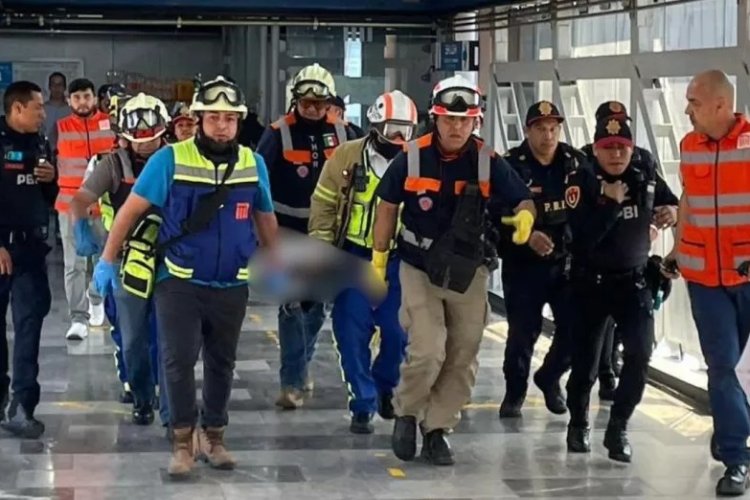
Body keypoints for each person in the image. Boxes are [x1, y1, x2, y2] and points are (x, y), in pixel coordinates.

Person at [93, 76, 278, 477]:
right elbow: (128, 212)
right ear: (197, 119)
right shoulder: (169, 160)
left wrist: (276, 263)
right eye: (213, 117)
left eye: (230, 119)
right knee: (177, 361)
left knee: (222, 362)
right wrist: (108, 261)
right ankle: (181, 441)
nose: (222, 126)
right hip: (178, 281)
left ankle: (215, 436)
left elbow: (265, 217)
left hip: (232, 282)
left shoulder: (252, 163)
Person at [372, 75, 535, 465]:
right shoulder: (410, 157)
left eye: (465, 120)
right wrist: (379, 260)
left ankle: (438, 428)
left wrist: (525, 219)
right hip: (418, 265)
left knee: (463, 352)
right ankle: (408, 413)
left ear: (475, 121)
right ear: (435, 118)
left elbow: (523, 199)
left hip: (468, 271)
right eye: (449, 119)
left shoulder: (486, 160)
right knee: (428, 349)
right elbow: (387, 208)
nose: (457, 127)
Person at [564, 116, 677, 464]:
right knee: (585, 365)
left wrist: (671, 210)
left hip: (634, 283)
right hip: (590, 283)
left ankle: (618, 427)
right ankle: (579, 422)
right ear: (596, 149)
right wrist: (610, 204)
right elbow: (581, 240)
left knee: (640, 355)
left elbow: (672, 201)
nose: (616, 155)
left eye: (622, 147)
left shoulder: (643, 172)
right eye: (608, 148)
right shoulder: (580, 179)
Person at [308, 90, 417, 433]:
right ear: (375, 126)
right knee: (350, 331)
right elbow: (324, 207)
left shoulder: (417, 161)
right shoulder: (346, 157)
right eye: (393, 129)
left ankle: (386, 385)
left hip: (400, 260)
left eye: (407, 130)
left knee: (398, 332)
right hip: (353, 256)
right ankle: (362, 400)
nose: (400, 138)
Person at [665, 70, 750, 496]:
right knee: (722, 366)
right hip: (704, 280)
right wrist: (677, 249)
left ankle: (730, 421)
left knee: (742, 371)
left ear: (721, 105)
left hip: (747, 274)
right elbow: (687, 199)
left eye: (694, 103)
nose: (687, 111)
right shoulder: (689, 146)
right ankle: (737, 458)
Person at [256, 63, 356, 409]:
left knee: (315, 308)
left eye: (319, 102)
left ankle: (302, 364)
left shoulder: (346, 134)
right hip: (288, 233)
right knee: (291, 306)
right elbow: (257, 181)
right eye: (306, 102)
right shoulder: (277, 133)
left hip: (329, 236)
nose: (312, 108)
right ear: (295, 100)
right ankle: (292, 382)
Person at [71, 93, 171, 428]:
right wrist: (84, 230)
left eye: (152, 137)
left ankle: (157, 391)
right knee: (131, 337)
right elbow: (82, 198)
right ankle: (140, 391)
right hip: (124, 260)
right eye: (138, 139)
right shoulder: (112, 164)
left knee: (166, 333)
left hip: (172, 258)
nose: (146, 145)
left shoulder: (176, 159)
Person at [494, 101, 585, 418]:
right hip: (524, 265)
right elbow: (495, 213)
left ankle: (550, 377)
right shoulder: (510, 166)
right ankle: (514, 392)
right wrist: (527, 235)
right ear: (528, 130)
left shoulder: (575, 162)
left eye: (553, 128)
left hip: (566, 264)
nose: (548, 135)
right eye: (541, 128)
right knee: (522, 333)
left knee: (576, 329)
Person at [580, 100, 662, 401]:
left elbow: (666, 198)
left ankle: (616, 416)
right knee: (586, 349)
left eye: (622, 127)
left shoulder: (643, 163)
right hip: (593, 273)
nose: (616, 152)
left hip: (632, 272)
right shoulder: (583, 167)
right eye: (609, 142)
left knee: (636, 347)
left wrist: (667, 212)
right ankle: (597, 382)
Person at [0, 81, 57, 439]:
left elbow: (46, 197)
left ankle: (22, 405)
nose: (43, 113)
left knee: (29, 327)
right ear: (17, 108)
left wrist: (51, 181)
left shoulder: (39, 143)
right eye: (38, 107)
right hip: (1, 248)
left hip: (31, 250)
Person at [55, 78, 115, 340]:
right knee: (74, 264)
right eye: (77, 97)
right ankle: (78, 318)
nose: (82, 102)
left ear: (95, 98)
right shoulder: (59, 127)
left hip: (104, 206)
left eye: (87, 96)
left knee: (105, 259)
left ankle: (97, 298)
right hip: (69, 206)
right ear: (69, 100)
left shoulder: (111, 125)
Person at [44, 72, 71, 154]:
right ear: (49, 87)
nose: (57, 88)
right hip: (45, 151)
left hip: (66, 151)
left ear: (64, 87)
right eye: (53, 84)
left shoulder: (71, 110)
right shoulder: (41, 109)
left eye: (60, 84)